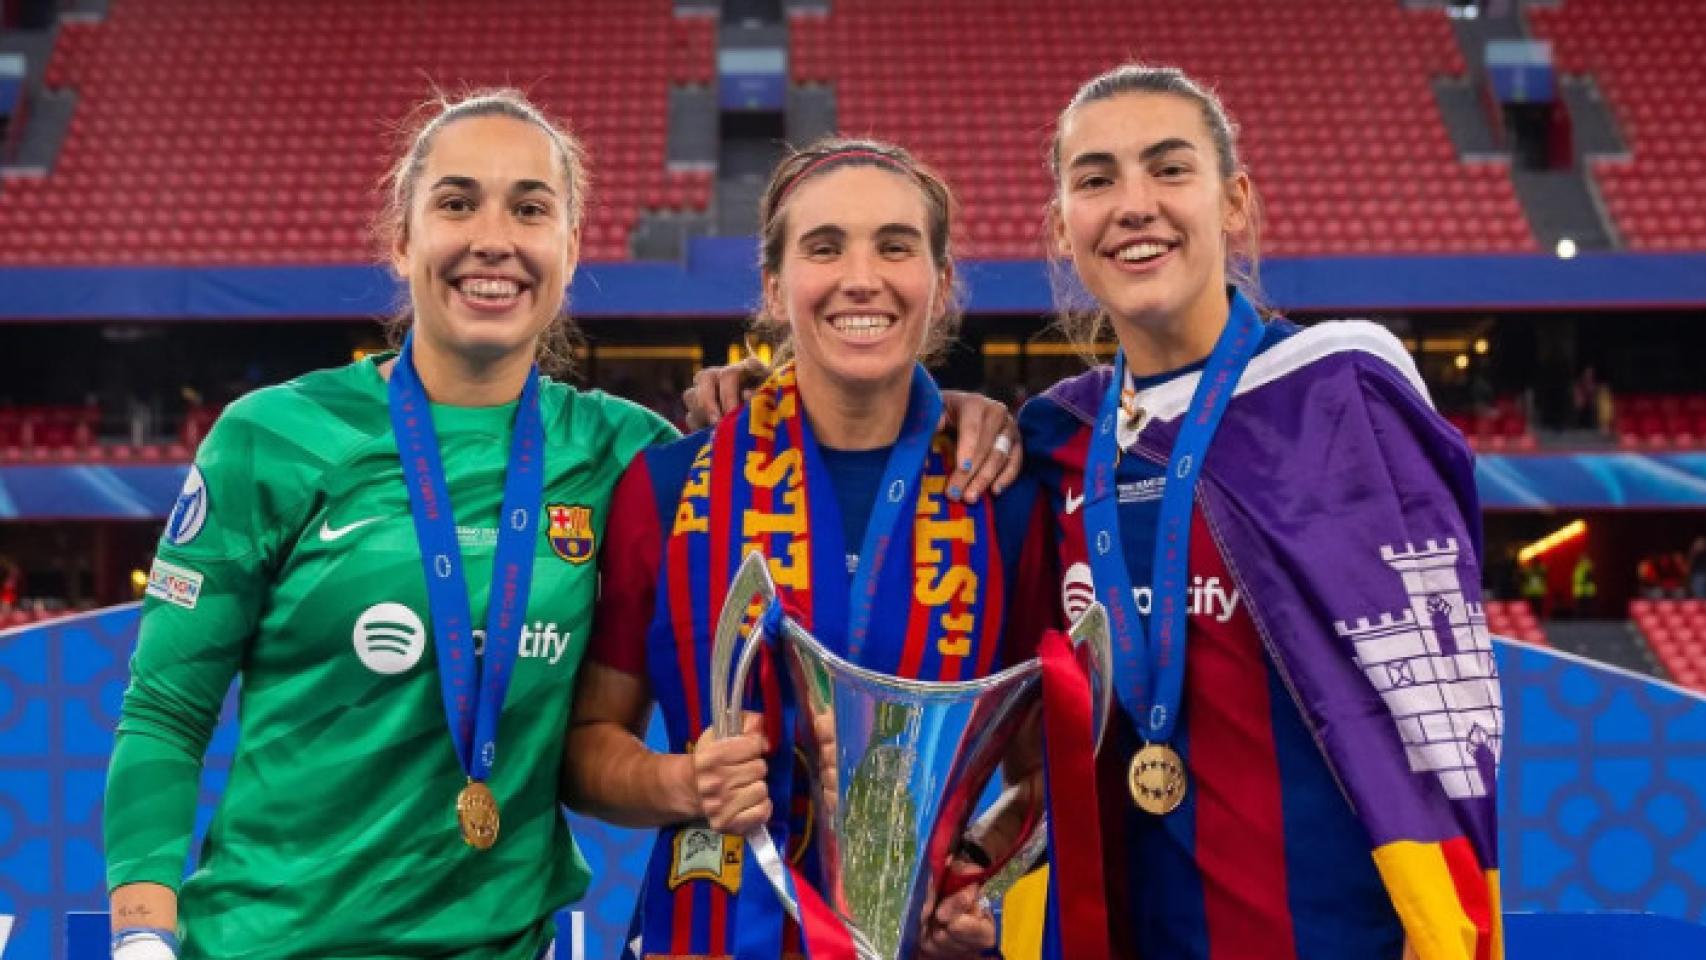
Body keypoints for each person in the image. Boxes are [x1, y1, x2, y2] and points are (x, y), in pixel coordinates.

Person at [101, 90, 682, 960]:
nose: (493, 238)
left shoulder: (624, 452)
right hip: (268, 944)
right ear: (404, 242)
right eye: (456, 203)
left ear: (569, 248)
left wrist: (954, 421)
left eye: (530, 208)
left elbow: (792, 487)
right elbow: (165, 711)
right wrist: (141, 938)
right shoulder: (273, 438)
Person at [1010, 63, 1503, 960]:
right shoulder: (1056, 440)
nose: (1133, 204)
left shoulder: (1341, 396)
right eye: (1095, 180)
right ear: (1060, 228)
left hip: (1334, 934)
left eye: (1169, 168)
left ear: (1233, 202)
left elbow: (1442, 697)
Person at [562, 138, 1052, 960]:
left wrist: (964, 875)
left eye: (895, 246)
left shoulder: (1000, 501)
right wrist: (682, 781)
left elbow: (1044, 775)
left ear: (940, 280)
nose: (862, 277)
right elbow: (585, 746)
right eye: (824, 247)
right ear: (773, 283)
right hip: (711, 933)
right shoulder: (670, 488)